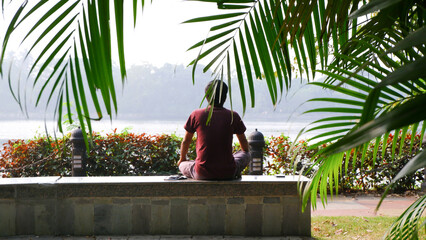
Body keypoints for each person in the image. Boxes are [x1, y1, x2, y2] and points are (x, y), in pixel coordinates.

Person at [178, 80, 251, 180]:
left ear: (206, 97)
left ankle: (191, 164)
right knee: (245, 154)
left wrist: (182, 158)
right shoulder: (233, 115)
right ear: (225, 97)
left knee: (183, 164)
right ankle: (233, 169)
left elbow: (186, 141)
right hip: (228, 172)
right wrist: (244, 153)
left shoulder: (196, 114)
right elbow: (243, 142)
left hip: (202, 173)